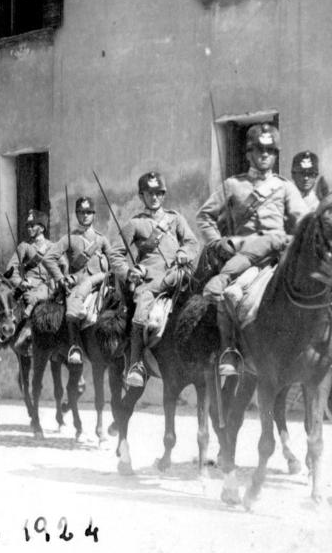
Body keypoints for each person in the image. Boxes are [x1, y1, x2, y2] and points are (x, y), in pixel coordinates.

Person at [197, 123, 305, 377]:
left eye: (271, 149)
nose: (265, 154)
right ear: (248, 153)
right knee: (229, 295)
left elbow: (304, 221)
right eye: (259, 149)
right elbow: (204, 216)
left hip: (278, 255)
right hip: (244, 257)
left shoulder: (285, 187)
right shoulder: (234, 185)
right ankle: (230, 351)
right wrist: (216, 242)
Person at [114, 172, 199, 388]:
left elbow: (191, 243)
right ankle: (135, 365)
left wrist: (183, 254)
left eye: (158, 193)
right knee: (142, 312)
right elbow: (116, 254)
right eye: (149, 193)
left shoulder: (176, 219)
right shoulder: (134, 224)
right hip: (150, 280)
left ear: (163, 195)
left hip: (178, 276)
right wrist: (128, 272)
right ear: (142, 196)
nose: (154, 198)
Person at [43, 197, 122, 365]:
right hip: (78, 284)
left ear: (93, 215)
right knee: (73, 307)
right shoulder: (69, 239)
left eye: (88, 212)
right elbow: (49, 258)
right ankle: (74, 347)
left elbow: (114, 260)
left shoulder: (101, 239)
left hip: (102, 283)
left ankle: (123, 348)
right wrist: (60, 278)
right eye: (81, 212)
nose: (85, 216)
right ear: (76, 215)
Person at [6, 209, 54, 351]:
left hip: (48, 286)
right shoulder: (24, 246)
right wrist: (20, 282)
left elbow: (63, 265)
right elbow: (11, 269)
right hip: (29, 286)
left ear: (42, 227)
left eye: (33, 225)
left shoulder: (52, 247)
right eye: (28, 225)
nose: (29, 228)